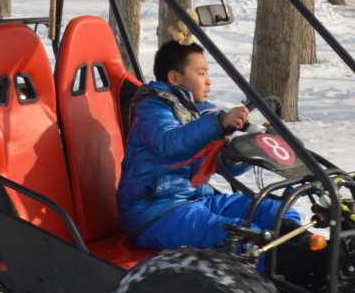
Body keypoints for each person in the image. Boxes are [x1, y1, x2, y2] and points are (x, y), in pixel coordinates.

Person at [118, 40, 280, 249]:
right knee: (244, 237)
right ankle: (294, 266)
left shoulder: (201, 112)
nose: (208, 81)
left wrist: (260, 143)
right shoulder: (153, 107)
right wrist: (217, 123)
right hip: (156, 213)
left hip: (197, 201)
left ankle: (304, 256)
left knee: (275, 211)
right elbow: (169, 145)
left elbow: (223, 164)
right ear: (174, 77)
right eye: (201, 73)